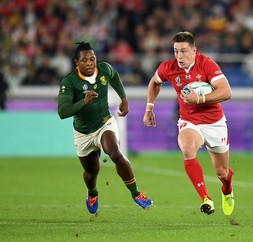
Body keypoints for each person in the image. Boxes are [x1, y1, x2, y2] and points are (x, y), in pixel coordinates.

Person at [143, 31, 234, 216]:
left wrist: (199, 98)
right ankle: (206, 199)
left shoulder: (206, 64)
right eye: (176, 51)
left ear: (194, 50)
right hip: (189, 120)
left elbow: (226, 92)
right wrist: (149, 108)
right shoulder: (168, 67)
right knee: (187, 149)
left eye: (184, 51)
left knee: (222, 172)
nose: (179, 56)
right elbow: (155, 82)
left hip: (214, 123)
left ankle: (227, 188)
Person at [57, 42, 153, 214]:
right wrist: (83, 101)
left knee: (115, 153)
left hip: (105, 123)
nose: (89, 63)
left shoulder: (104, 70)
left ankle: (136, 194)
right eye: (84, 60)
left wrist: (124, 98)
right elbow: (63, 112)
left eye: (92, 58)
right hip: (83, 133)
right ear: (76, 62)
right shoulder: (69, 82)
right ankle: (92, 193)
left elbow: (114, 76)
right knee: (92, 172)